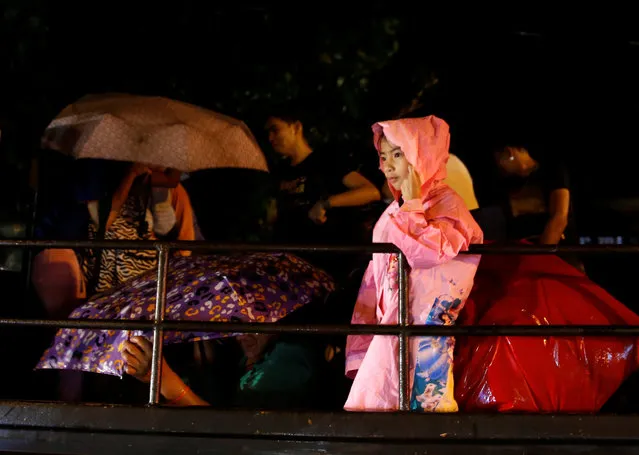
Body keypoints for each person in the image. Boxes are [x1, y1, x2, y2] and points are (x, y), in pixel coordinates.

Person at [344, 116, 483, 412]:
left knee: (425, 408)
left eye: (398, 154)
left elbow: (429, 253)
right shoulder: (398, 207)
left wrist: (412, 206)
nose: (389, 166)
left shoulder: (447, 205)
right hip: (394, 324)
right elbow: (375, 275)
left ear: (422, 155)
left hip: (425, 331)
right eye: (384, 156)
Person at [32, 160, 196, 318]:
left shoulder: (174, 192)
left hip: (144, 288)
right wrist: (131, 175)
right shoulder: (110, 182)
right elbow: (102, 219)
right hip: (103, 284)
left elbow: (184, 244)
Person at [265, 110, 381, 246]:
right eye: (268, 133)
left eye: (275, 130)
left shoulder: (326, 161)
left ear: (296, 127)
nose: (270, 138)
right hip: (285, 252)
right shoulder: (280, 171)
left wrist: (325, 203)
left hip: (322, 254)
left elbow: (370, 191)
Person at [122, 334, 321, 409]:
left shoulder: (289, 357)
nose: (242, 335)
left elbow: (228, 432)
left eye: (253, 325)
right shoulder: (245, 356)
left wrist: (163, 379)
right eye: (238, 323)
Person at [492, 145, 572, 245]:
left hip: (553, 252)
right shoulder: (512, 183)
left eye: (500, 163)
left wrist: (542, 255)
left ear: (510, 154)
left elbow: (560, 216)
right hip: (522, 252)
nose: (501, 170)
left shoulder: (551, 171)